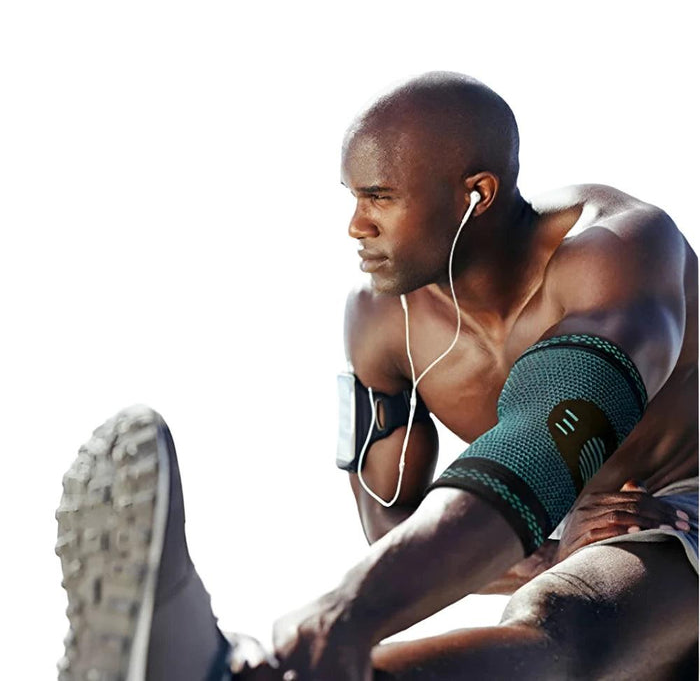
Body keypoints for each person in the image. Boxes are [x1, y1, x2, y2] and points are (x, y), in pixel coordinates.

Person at [56, 72, 698, 680]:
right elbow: (389, 520)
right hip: (588, 529)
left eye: (380, 198)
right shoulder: (378, 323)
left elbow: (542, 436)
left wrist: (350, 607)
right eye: (353, 197)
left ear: (476, 194)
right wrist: (547, 554)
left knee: (569, 614)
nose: (355, 226)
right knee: (558, 596)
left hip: (683, 497)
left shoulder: (620, 250)